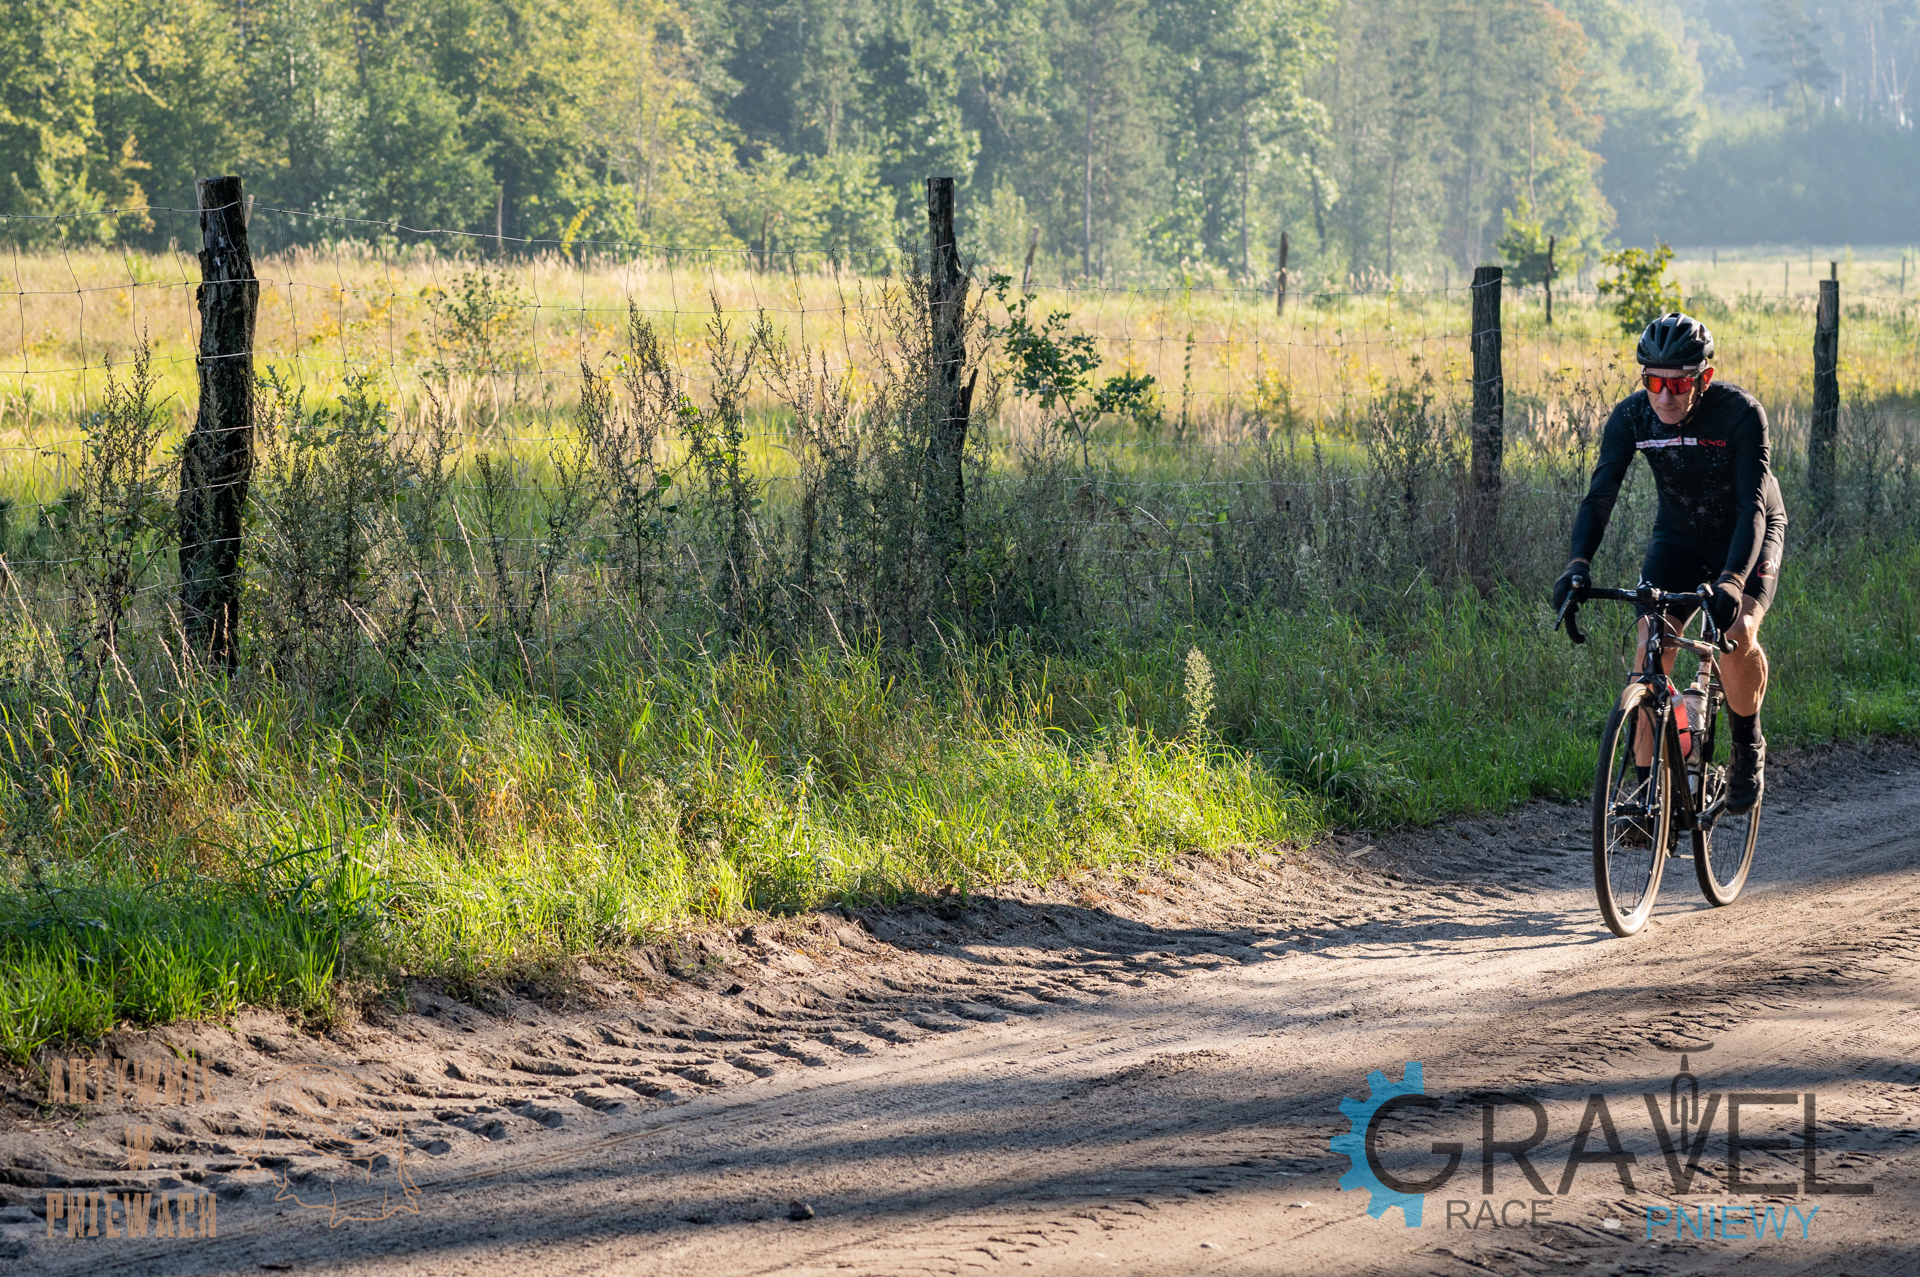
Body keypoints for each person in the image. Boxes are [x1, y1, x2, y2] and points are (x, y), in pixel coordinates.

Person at [1552, 312, 1786, 820]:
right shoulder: (1632, 417)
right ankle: (1645, 799)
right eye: (1653, 382)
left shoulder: (1740, 414)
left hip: (1747, 530)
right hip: (1678, 536)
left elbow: (1752, 506)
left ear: (1703, 378)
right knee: (1650, 648)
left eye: (1677, 383)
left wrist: (1733, 580)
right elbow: (1599, 498)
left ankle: (1747, 746)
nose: (1664, 396)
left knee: (1737, 632)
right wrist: (1577, 567)